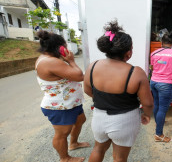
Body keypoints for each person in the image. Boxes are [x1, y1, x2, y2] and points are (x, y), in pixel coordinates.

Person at [83, 20, 154, 162]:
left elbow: (88, 91)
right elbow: (148, 103)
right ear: (128, 53)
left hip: (99, 117)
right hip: (124, 120)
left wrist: (105, 100)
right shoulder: (136, 72)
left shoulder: (93, 66)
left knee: (98, 149)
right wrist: (146, 115)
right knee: (119, 158)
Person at [35, 30, 89, 162]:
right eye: (65, 46)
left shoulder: (49, 59)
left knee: (80, 120)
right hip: (60, 106)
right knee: (62, 134)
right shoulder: (50, 62)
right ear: (60, 47)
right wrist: (71, 61)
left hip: (69, 103)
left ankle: (73, 143)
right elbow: (79, 76)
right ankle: (64, 158)